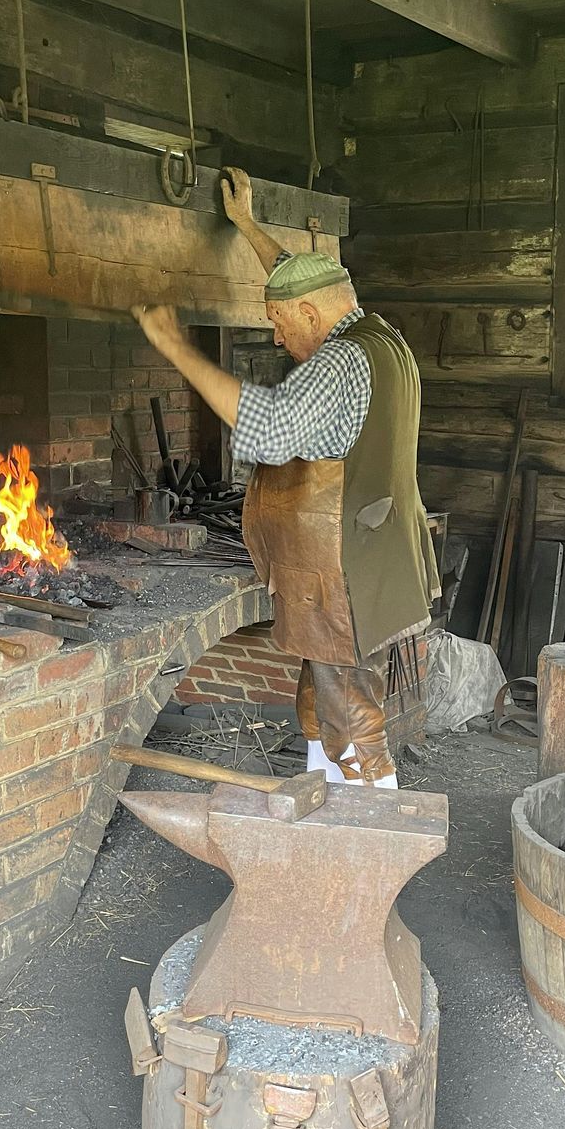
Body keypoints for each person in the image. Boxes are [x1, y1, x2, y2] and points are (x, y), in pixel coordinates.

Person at [132, 167, 439, 788]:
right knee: (325, 700)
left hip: (342, 570)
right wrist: (246, 224)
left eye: (279, 321)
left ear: (309, 311)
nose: (276, 337)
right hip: (373, 557)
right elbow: (300, 276)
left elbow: (268, 428)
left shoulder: (339, 362)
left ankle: (373, 822)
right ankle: (321, 802)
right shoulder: (381, 338)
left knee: (352, 716)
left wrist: (174, 347)